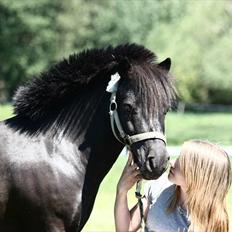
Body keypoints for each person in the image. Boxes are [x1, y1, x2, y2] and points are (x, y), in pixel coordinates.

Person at [114, 140, 232, 232]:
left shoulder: (213, 221)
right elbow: (126, 229)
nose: (171, 163)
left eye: (181, 161)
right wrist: (122, 191)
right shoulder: (159, 188)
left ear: (198, 175)